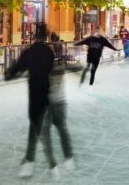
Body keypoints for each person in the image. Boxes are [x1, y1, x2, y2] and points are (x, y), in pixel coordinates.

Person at [5, 24, 58, 179]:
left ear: (34, 36)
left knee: (36, 130)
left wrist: (9, 74)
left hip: (34, 95)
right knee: (39, 130)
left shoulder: (30, 52)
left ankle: (44, 164)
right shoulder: (49, 52)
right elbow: (49, 70)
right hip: (46, 95)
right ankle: (34, 163)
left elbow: (18, 68)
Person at [47, 33, 76, 172]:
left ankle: (53, 164)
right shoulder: (61, 61)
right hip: (60, 100)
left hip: (50, 101)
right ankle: (69, 157)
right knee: (62, 130)